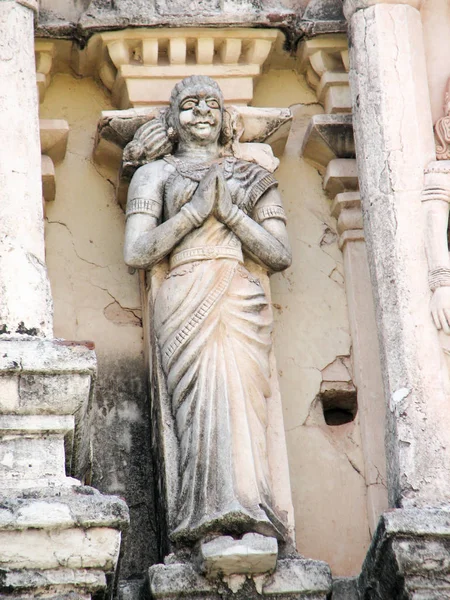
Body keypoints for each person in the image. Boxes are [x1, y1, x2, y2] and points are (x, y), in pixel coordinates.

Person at [124, 75, 291, 544]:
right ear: (172, 121)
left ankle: (251, 510)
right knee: (198, 408)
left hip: (239, 293)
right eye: (189, 105)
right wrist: (194, 213)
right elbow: (137, 252)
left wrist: (232, 214)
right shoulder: (153, 175)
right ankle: (204, 519)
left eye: (211, 105)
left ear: (225, 118)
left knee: (241, 403)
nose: (202, 113)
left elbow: (279, 254)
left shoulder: (253, 175)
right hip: (183, 293)